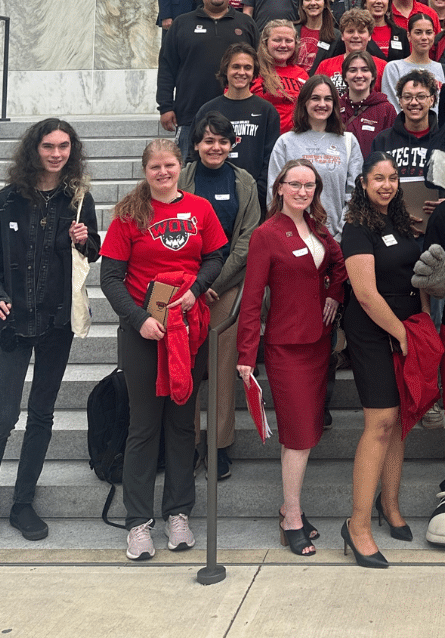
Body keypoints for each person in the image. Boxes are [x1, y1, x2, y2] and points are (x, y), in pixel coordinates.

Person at [100, 139, 227, 560]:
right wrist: (139, 319)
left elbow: (216, 255)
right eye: (155, 166)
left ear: (180, 166)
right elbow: (111, 278)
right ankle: (138, 522)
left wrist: (196, 289)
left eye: (169, 165)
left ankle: (178, 513)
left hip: (187, 330)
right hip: (144, 332)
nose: (162, 172)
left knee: (181, 424)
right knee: (144, 426)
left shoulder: (199, 208)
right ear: (145, 170)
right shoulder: (128, 213)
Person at [0, 119, 100, 541]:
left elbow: (94, 253)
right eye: (48, 146)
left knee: (41, 416)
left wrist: (84, 240)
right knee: (4, 416)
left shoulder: (79, 199)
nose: (57, 153)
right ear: (35, 149)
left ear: (72, 151)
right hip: (13, 323)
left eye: (64, 146)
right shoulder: (7, 201)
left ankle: (23, 503)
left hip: (56, 322)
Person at [235, 159, 347, 557]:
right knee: (297, 436)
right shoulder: (267, 234)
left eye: (310, 185)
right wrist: (246, 354)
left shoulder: (317, 227)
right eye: (295, 184)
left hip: (318, 344)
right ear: (280, 187)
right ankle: (292, 519)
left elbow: (339, 264)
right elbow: (251, 300)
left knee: (307, 432)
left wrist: (334, 292)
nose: (303, 191)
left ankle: (289, 506)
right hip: (285, 348)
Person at [341, 153, 432, 568]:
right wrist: (400, 333)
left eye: (393, 178)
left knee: (400, 420)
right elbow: (364, 293)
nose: (387, 185)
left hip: (407, 327)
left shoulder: (401, 221)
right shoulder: (356, 229)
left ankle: (390, 505)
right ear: (363, 183)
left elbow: (416, 276)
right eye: (378, 178)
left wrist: (423, 323)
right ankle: (357, 525)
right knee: (379, 422)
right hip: (375, 332)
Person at [179, 113, 261, 481]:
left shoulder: (244, 182)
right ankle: (189, 441)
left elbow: (246, 240)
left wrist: (213, 281)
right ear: (196, 145)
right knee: (187, 367)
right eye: (208, 141)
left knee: (223, 368)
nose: (215, 148)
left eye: (222, 141)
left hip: (225, 287)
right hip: (183, 287)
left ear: (233, 145)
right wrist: (193, 284)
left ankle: (220, 445)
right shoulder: (181, 179)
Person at [156, 0, 257, 158]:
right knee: (189, 175)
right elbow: (167, 67)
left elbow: (258, 68)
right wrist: (165, 106)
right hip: (190, 114)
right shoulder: (181, 24)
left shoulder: (246, 24)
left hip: (238, 115)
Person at [268, 75, 362, 241]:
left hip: (337, 238)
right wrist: (288, 234)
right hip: (294, 239)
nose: (322, 104)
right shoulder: (286, 142)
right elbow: (273, 193)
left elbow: (355, 195)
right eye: (315, 98)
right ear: (304, 102)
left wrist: (340, 235)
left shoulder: (348, 142)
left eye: (328, 99)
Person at [194, 43, 281, 212]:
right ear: (226, 69)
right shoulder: (207, 110)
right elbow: (194, 153)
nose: (241, 72)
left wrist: (258, 192)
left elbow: (271, 158)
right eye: (236, 66)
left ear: (254, 72)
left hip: (253, 197)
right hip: (211, 195)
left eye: (247, 67)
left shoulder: (267, 111)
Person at [381, 12, 445, 108]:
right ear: (409, 36)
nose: (424, 37)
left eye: (428, 32)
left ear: (434, 35)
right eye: (418, 32)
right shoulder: (394, 68)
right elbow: (393, 108)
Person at [312, 9, 388, 99]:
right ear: (342, 36)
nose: (356, 36)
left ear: (369, 36)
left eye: (361, 31)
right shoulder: (325, 66)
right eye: (350, 31)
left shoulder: (383, 67)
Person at [251, 19, 308, 134]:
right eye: (277, 40)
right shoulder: (252, 72)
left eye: (288, 41)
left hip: (295, 141)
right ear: (265, 42)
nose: (283, 45)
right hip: (263, 139)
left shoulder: (302, 74)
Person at [339, 51, 396, 156]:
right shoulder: (336, 107)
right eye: (353, 70)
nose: (359, 75)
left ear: (373, 75)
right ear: (345, 76)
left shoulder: (386, 109)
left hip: (372, 171)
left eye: (365, 70)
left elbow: (391, 149)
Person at [295, 0, 338, 72]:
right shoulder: (292, 30)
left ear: (325, 4)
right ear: (302, 5)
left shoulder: (336, 37)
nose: (313, 3)